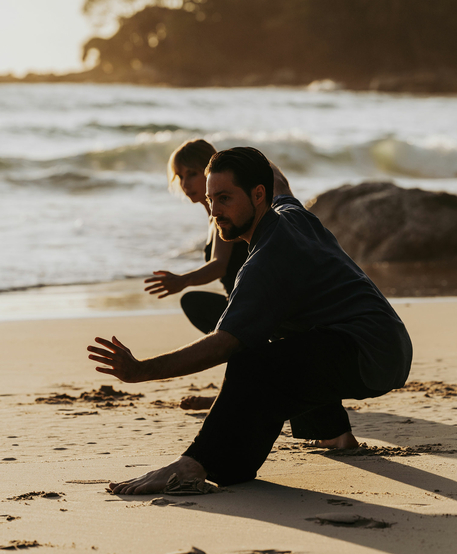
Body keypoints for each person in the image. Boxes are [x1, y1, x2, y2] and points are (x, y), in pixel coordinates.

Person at [87, 147, 412, 495]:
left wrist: (140, 371)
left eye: (225, 198)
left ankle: (194, 465)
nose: (214, 212)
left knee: (252, 364)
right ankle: (253, 460)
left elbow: (224, 343)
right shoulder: (290, 212)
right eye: (211, 200)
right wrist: (237, 159)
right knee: (278, 359)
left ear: (258, 195)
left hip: (368, 351)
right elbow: (280, 182)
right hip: (385, 344)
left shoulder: (267, 259)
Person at [143, 139, 247, 409]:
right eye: (179, 176)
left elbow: (219, 265)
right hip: (243, 308)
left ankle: (230, 395)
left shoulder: (224, 212)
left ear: (210, 171)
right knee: (198, 305)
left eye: (192, 173)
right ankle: (233, 391)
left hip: (250, 309)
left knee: (195, 303)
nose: (184, 183)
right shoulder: (215, 215)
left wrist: (183, 280)